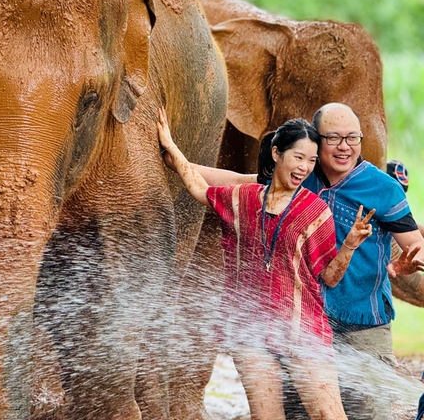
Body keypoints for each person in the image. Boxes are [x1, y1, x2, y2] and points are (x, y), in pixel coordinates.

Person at [182, 103, 424, 419]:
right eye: (334, 138)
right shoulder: (299, 177)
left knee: (369, 413)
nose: (345, 146)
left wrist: (409, 260)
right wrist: (177, 161)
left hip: (362, 322)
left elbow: (414, 241)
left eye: (353, 138)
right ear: (316, 141)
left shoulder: (384, 188)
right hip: (304, 325)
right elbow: (239, 182)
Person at [157, 110, 373, 420]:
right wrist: (172, 148)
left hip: (304, 333)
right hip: (251, 335)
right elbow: (200, 190)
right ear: (276, 153)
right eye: (299, 158)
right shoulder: (243, 198)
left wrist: (350, 245)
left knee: (330, 416)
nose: (304, 167)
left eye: (311, 161)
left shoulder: (316, 211)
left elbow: (330, 277)